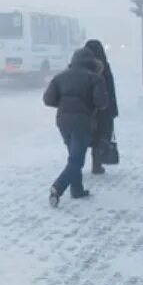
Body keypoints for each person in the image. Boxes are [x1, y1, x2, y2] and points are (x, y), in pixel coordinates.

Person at [43, 48, 109, 207]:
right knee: (77, 160)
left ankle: (77, 189)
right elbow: (102, 103)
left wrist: (64, 103)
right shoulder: (95, 79)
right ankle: (57, 188)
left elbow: (48, 99)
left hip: (63, 122)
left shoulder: (60, 77)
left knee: (73, 156)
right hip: (82, 122)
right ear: (91, 62)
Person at [84, 40, 118, 174]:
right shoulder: (105, 66)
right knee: (101, 135)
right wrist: (113, 110)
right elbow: (111, 89)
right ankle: (97, 165)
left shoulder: (83, 67)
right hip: (104, 108)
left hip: (88, 109)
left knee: (87, 136)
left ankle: (77, 164)